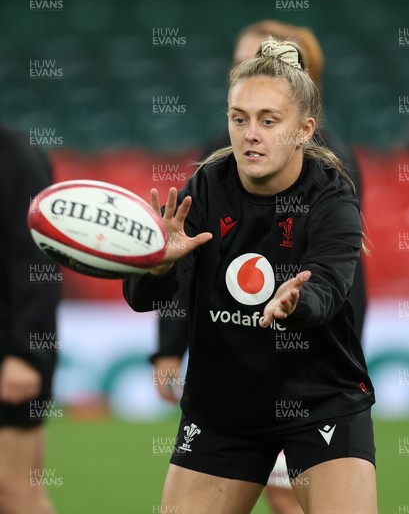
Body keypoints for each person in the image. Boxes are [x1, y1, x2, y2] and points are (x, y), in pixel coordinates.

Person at [124, 38, 377, 514]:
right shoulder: (204, 187)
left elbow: (326, 287)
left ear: (304, 129)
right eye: (238, 118)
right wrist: (155, 264)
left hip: (319, 402)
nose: (249, 134)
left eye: (268, 120)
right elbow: (144, 297)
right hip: (224, 410)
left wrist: (294, 303)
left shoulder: (332, 196)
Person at [0, 125, 60, 514]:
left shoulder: (13, 154)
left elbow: (40, 258)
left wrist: (27, 352)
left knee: (12, 490)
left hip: (10, 352)